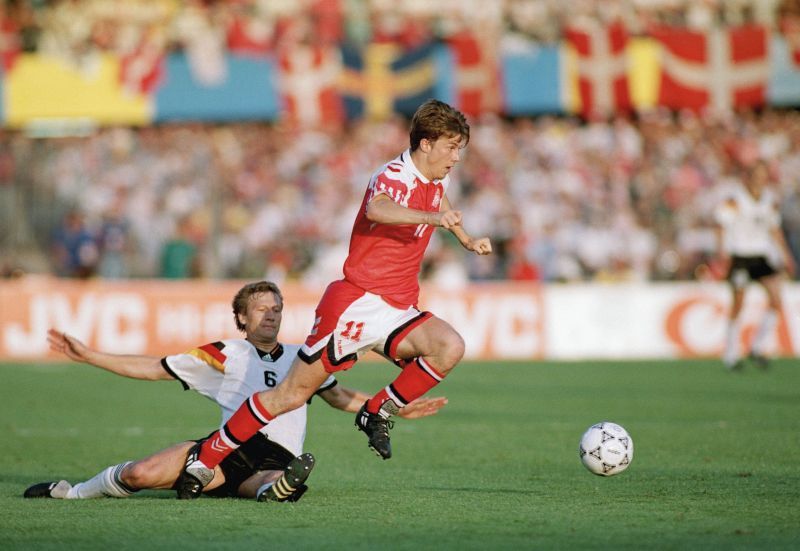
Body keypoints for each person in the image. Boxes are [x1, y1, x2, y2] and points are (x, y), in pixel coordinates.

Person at [178, 99, 492, 498]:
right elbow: (378, 209)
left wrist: (464, 238)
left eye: (459, 148)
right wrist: (432, 220)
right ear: (425, 144)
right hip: (355, 304)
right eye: (451, 147)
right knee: (291, 395)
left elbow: (439, 199)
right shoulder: (392, 175)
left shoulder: (437, 179)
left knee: (449, 347)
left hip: (396, 306)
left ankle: (376, 411)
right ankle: (205, 459)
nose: (456, 157)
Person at [23, 281, 447, 501]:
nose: (271, 315)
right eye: (261, 309)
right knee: (140, 474)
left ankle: (281, 489)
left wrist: (395, 408)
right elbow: (155, 368)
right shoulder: (225, 353)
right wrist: (91, 355)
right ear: (241, 318)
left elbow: (338, 397)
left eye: (277, 308)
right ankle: (72, 492)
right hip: (224, 453)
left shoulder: (305, 355)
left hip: (275, 456)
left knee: (276, 483)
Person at [715, 161, 796, 371]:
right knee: (738, 303)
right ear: (749, 176)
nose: (760, 178)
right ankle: (731, 354)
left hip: (760, 256)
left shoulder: (768, 199)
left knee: (776, 300)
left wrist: (786, 256)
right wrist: (722, 253)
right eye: (757, 174)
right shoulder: (736, 199)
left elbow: (774, 229)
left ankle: (757, 346)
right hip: (740, 256)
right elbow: (721, 225)